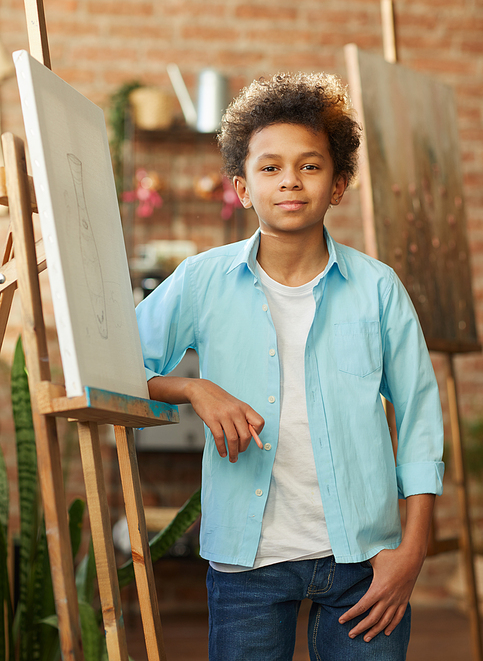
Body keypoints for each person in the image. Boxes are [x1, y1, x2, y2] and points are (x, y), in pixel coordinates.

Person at [136, 73, 444, 661]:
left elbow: (420, 417)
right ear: (242, 187)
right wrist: (192, 388)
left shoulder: (378, 289)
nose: (290, 183)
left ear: (339, 183)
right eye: (270, 168)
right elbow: (111, 368)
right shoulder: (202, 280)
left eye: (310, 166)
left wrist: (412, 551)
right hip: (246, 561)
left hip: (364, 560)